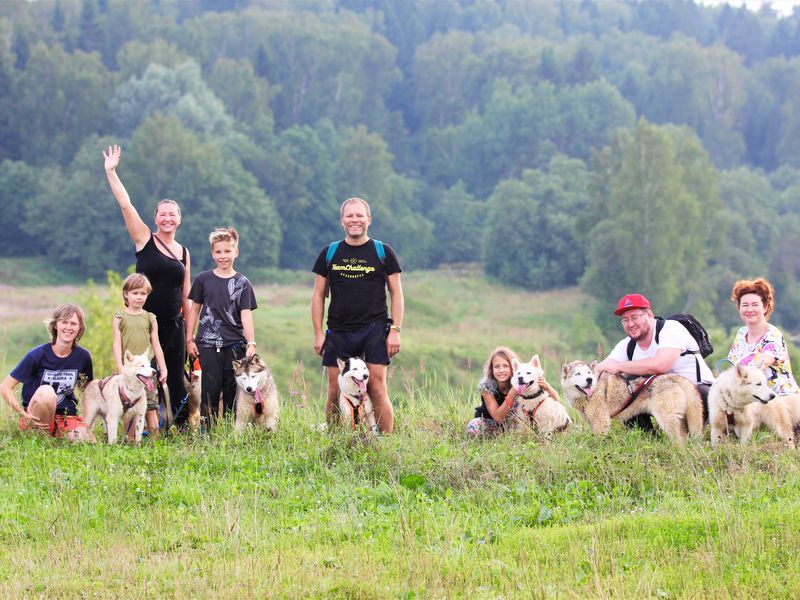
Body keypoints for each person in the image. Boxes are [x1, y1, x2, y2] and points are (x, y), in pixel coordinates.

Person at [104, 145, 190, 426]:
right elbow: (125, 205)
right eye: (162, 214)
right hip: (142, 322)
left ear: (179, 218)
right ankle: (135, 429)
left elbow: (186, 295)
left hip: (174, 325)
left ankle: (177, 429)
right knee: (139, 376)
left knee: (175, 376)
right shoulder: (144, 239)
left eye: (172, 214)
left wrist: (189, 335)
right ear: (155, 218)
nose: (167, 218)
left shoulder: (184, 252)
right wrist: (111, 172)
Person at [311, 197, 404, 434]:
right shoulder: (329, 253)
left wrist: (395, 330)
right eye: (350, 216)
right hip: (339, 331)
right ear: (342, 220)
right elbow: (318, 296)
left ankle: (386, 441)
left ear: (368, 219)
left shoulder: (383, 252)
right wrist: (319, 333)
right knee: (334, 389)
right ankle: (334, 439)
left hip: (374, 329)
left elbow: (397, 294)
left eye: (360, 215)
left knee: (375, 387)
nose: (355, 220)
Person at [595, 293, 715, 428]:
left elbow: (660, 365)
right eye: (625, 320)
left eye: (635, 317)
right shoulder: (627, 345)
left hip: (697, 392)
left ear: (650, 315)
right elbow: (602, 368)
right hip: (661, 398)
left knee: (700, 395)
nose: (630, 324)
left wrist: (621, 366)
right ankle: (644, 439)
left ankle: (699, 431)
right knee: (624, 394)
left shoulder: (671, 328)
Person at [185, 228, 257, 428]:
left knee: (232, 391)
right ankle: (206, 432)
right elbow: (194, 310)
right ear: (212, 253)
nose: (223, 256)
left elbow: (246, 314)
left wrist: (251, 342)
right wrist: (189, 339)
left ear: (236, 252)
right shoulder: (203, 280)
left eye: (227, 251)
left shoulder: (243, 283)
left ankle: (227, 431)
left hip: (235, 345)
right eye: (218, 252)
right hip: (207, 344)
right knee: (210, 390)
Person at [0, 304, 93, 438]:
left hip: (66, 416)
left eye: (73, 323)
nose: (68, 327)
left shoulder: (83, 356)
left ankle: (58, 436)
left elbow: (87, 390)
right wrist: (23, 414)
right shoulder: (36, 355)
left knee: (87, 440)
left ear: (80, 328)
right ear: (55, 325)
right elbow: (5, 386)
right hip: (37, 416)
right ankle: (42, 437)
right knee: (47, 392)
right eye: (64, 322)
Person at [113, 273, 168, 438]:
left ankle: (154, 441)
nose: (139, 297)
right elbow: (116, 343)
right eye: (135, 293)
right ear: (126, 294)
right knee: (128, 405)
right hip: (128, 370)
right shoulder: (119, 317)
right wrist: (119, 366)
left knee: (150, 405)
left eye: (143, 293)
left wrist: (163, 368)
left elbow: (156, 345)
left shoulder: (150, 318)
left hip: (145, 370)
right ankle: (130, 441)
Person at [727, 278, 799, 396]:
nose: (749, 309)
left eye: (755, 305)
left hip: (782, 400)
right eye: (745, 305)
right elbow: (733, 368)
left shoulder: (772, 335)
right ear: (739, 308)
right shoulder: (741, 334)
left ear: (765, 307)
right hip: (752, 400)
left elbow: (758, 366)